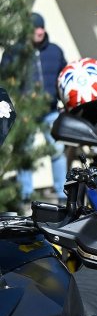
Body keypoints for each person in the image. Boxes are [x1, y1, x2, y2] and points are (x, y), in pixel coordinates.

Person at [0, 13, 68, 202]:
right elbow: (5, 78)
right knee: (24, 153)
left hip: (51, 111)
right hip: (26, 113)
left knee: (56, 151)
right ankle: (26, 195)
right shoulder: (15, 52)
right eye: (35, 28)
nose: (40, 31)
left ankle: (62, 193)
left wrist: (65, 102)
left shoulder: (55, 51)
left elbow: (64, 76)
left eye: (41, 27)